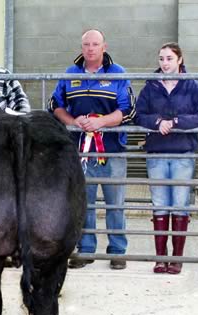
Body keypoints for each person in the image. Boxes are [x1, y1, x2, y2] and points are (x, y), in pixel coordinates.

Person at [48, 29, 136, 270]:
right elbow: (55, 104)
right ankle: (85, 249)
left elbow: (127, 110)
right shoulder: (70, 73)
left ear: (104, 46)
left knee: (115, 203)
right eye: (86, 44)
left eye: (95, 44)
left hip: (112, 151)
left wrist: (101, 122)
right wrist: (72, 121)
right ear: (81, 46)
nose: (90, 48)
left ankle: (117, 251)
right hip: (79, 151)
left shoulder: (118, 74)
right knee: (83, 203)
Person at [135, 42, 198, 274]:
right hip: (157, 152)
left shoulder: (193, 87)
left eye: (169, 58)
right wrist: (158, 122)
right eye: (161, 58)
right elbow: (138, 114)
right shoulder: (150, 87)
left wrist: (177, 123)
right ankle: (160, 258)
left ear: (179, 60)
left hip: (182, 154)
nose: (164, 63)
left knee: (179, 203)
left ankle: (176, 259)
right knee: (159, 205)